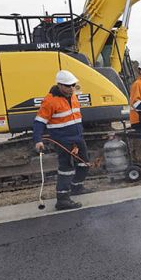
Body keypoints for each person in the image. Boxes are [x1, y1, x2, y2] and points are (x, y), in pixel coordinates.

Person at [33, 70, 90, 210]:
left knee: (84, 164)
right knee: (66, 169)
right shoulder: (50, 101)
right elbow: (39, 122)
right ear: (59, 85)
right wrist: (38, 140)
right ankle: (62, 199)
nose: (71, 88)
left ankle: (77, 187)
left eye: (73, 85)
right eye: (68, 86)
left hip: (77, 137)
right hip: (63, 140)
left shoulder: (73, 96)